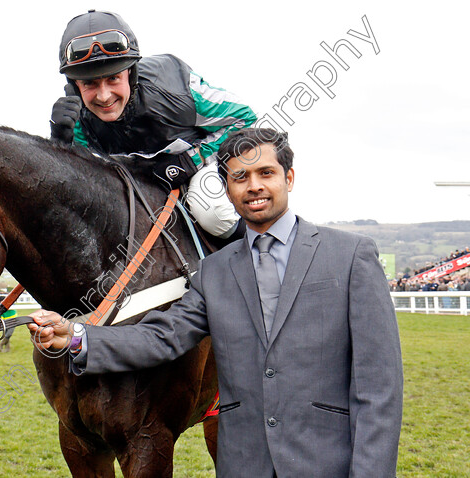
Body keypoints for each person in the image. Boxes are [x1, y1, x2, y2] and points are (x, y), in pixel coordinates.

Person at [28, 128, 403, 477]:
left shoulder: (352, 255)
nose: (254, 186)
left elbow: (379, 387)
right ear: (226, 189)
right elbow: (162, 338)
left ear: (289, 178)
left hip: (326, 462)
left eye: (266, 173)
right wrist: (76, 336)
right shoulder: (213, 271)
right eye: (240, 177)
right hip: (243, 463)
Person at [50, 10, 257, 242]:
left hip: (200, 166)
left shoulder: (175, 91)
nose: (104, 96)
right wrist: (58, 143)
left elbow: (246, 120)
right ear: (74, 86)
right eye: (90, 83)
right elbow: (80, 182)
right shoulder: (77, 120)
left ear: (131, 73)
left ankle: (261, 252)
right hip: (143, 179)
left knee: (210, 210)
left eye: (113, 79)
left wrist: (191, 161)